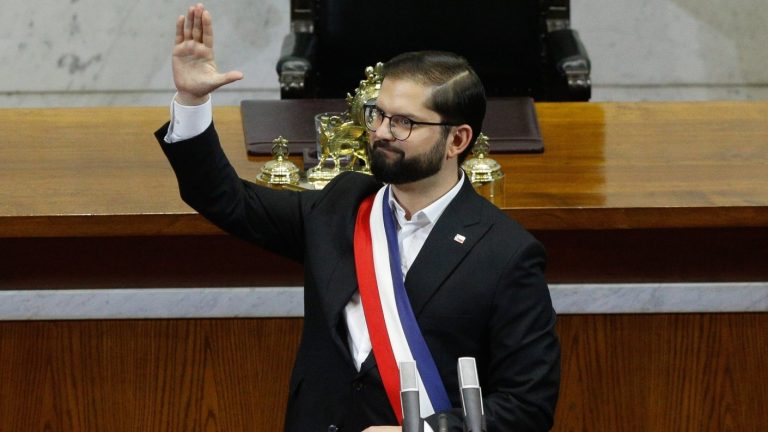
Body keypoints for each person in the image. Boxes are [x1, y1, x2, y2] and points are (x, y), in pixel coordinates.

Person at [156, 4, 560, 431]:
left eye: (404, 122)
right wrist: (192, 100)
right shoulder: (342, 206)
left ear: (456, 140)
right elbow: (226, 199)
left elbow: (528, 405)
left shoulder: (506, 253)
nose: (381, 132)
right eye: (378, 114)